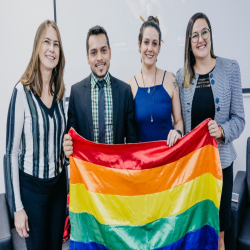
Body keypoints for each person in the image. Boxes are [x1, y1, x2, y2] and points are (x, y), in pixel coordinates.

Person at [176, 12, 245, 250]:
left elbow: (239, 119)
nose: (200, 39)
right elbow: (181, 125)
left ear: (211, 35)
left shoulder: (230, 69)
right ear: (189, 42)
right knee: (195, 233)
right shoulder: (181, 76)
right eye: (194, 35)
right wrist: (175, 132)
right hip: (194, 170)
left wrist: (223, 130)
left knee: (219, 236)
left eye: (204, 32)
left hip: (221, 167)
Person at [4, 20, 67, 250]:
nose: (52, 49)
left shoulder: (60, 91)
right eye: (47, 42)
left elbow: (61, 144)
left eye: (56, 44)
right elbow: (11, 154)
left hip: (59, 188)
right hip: (32, 193)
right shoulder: (21, 91)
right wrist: (17, 208)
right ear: (37, 47)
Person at [63, 25, 138, 157]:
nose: (99, 58)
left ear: (110, 52)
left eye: (103, 51)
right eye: (93, 52)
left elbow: (132, 142)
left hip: (116, 173)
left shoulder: (125, 91)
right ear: (87, 57)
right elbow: (71, 141)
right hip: (89, 174)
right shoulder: (77, 93)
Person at [127, 16, 183, 146]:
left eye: (154, 43)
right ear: (139, 45)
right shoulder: (129, 85)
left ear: (159, 47)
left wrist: (178, 132)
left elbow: (178, 120)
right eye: (146, 42)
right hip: (143, 162)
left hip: (169, 161)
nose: (150, 49)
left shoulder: (171, 79)